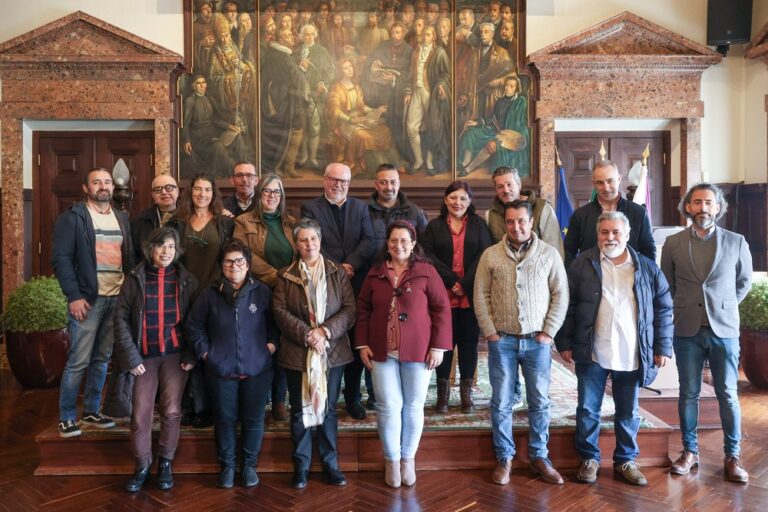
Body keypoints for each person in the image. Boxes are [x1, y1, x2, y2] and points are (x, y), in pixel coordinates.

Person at [556, 212, 673, 486]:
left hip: (632, 352)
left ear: (627, 234)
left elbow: (664, 308)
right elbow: (567, 306)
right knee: (587, 409)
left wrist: (662, 346)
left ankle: (626, 460)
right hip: (592, 350)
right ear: (597, 234)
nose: (610, 237)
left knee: (628, 411)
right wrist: (564, 343)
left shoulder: (646, 267)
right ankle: (589, 458)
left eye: (616, 232)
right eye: (604, 232)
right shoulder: (581, 264)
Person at [661, 183, 753, 483]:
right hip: (687, 328)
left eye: (708, 203)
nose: (703, 207)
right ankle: (689, 452)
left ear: (718, 207)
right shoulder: (673, 243)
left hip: (723, 330)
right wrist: (685, 305)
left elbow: (743, 283)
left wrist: (722, 306)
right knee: (689, 393)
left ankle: (732, 456)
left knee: (728, 394)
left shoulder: (736, 241)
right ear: (688, 207)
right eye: (697, 202)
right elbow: (668, 283)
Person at [473, 199, 568, 486]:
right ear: (505, 223)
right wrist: (490, 331)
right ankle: (504, 457)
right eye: (511, 222)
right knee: (500, 402)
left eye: (522, 221)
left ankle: (540, 457)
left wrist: (549, 332)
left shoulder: (549, 254)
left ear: (530, 222)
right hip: (502, 341)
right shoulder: (490, 255)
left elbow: (560, 295)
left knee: (539, 401)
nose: (516, 227)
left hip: (537, 342)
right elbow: (481, 295)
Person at [356, 220, 452, 488]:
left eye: (404, 241)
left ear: (413, 244)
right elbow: (362, 309)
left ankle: (408, 459)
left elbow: (442, 309)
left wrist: (438, 346)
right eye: (394, 241)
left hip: (420, 351)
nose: (399, 245)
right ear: (387, 244)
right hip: (381, 350)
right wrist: (362, 344)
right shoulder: (375, 273)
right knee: (388, 405)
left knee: (413, 405)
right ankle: (392, 460)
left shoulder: (427, 271)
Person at [186, 239, 278, 489]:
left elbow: (275, 326)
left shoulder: (262, 292)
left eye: (239, 261)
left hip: (257, 369)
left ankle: (249, 465)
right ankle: (227, 465)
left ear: (248, 265)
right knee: (224, 419)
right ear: (221, 266)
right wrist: (206, 353)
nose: (234, 266)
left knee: (253, 419)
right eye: (228, 262)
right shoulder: (209, 294)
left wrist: (269, 348)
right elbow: (193, 326)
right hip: (220, 370)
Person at [272, 218, 356, 489]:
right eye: (303, 240)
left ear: (320, 241)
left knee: (328, 409)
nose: (309, 245)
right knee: (299, 410)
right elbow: (279, 311)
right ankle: (302, 466)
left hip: (332, 351)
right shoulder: (285, 275)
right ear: (296, 244)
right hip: (298, 352)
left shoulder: (336, 272)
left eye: (313, 239)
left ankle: (331, 464)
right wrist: (308, 335)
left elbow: (349, 309)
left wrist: (324, 332)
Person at [113, 227, 197, 492]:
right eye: (161, 246)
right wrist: (131, 356)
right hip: (143, 357)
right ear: (151, 249)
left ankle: (165, 463)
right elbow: (121, 318)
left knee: (172, 410)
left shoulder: (186, 280)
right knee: (140, 414)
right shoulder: (135, 278)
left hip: (175, 355)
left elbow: (196, 322)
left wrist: (191, 354)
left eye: (171, 247)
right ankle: (142, 465)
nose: (166, 252)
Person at [52, 167, 133, 438]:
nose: (103, 186)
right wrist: (73, 296)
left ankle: (91, 411)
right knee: (78, 360)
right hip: (88, 300)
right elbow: (61, 260)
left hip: (116, 298)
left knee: (102, 359)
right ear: (86, 188)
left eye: (107, 182)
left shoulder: (121, 217)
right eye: (96, 181)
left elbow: (127, 258)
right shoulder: (72, 218)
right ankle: (66, 417)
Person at [301, 163, 375, 420]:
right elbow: (310, 243)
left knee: (356, 340)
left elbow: (369, 240)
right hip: (325, 283)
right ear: (325, 180)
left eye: (344, 181)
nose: (339, 184)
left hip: (357, 282)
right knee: (329, 339)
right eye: (334, 179)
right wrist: (337, 268)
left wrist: (350, 265)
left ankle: (353, 397)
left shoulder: (361, 207)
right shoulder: (311, 208)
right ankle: (325, 394)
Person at [421, 181, 492, 413]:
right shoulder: (434, 226)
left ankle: (466, 396)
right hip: (442, 295)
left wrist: (464, 283)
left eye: (463, 198)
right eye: (453, 198)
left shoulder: (479, 225)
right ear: (445, 200)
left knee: (469, 346)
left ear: (470, 202)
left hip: (470, 295)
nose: (457, 203)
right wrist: (452, 281)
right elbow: (427, 256)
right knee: (444, 346)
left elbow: (484, 254)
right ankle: (443, 397)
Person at [171, 173, 234, 428]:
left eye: (207, 190)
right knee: (185, 349)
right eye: (198, 189)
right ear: (190, 192)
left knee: (209, 348)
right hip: (183, 292)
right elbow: (170, 257)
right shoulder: (177, 222)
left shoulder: (223, 223)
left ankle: (210, 407)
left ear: (214, 193)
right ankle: (190, 406)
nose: (202, 194)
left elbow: (229, 257)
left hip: (212, 293)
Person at [233, 173, 297, 421]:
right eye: (267, 191)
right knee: (260, 345)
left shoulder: (291, 223)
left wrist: (288, 280)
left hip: (289, 291)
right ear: (259, 194)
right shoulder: (243, 222)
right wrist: (276, 277)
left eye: (276, 192)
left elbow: (301, 253)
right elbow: (244, 254)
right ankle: (258, 399)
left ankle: (280, 399)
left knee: (283, 344)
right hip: (257, 291)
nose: (271, 196)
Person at [564, 160, 655, 268]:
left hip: (629, 278)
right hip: (590, 279)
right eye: (600, 182)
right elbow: (569, 251)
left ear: (619, 179)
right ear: (593, 183)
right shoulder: (580, 215)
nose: (606, 188)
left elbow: (648, 251)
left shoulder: (638, 213)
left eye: (610, 181)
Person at [326, 58, 400, 176]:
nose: (349, 70)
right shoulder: (336, 89)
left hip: (360, 119)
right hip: (345, 123)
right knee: (365, 137)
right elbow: (335, 110)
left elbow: (361, 107)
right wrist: (350, 119)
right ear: (341, 71)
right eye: (345, 68)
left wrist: (376, 110)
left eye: (350, 67)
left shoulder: (356, 86)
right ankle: (380, 168)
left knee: (384, 131)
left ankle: (395, 165)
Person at [458, 75, 529, 177]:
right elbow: (492, 119)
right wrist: (477, 123)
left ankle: (468, 168)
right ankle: (465, 163)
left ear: (517, 89)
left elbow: (521, 123)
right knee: (471, 131)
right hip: (495, 131)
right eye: (506, 85)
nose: (507, 87)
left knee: (491, 145)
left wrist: (507, 134)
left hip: (512, 136)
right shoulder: (500, 102)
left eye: (511, 86)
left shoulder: (521, 102)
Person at [261, 27, 308, 179]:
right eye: (287, 36)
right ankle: (279, 166)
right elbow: (291, 76)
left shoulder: (285, 54)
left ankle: (289, 166)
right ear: (281, 40)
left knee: (295, 129)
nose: (291, 38)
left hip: (287, 96)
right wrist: (301, 67)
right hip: (280, 97)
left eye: (291, 35)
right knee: (285, 131)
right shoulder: (278, 55)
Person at [403, 25, 451, 175]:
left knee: (432, 128)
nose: (425, 37)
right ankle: (419, 160)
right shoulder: (416, 52)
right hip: (417, 91)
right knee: (411, 127)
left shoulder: (440, 52)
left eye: (428, 35)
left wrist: (442, 85)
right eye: (423, 34)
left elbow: (446, 74)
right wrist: (408, 91)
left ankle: (430, 161)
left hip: (431, 93)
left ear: (433, 37)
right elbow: (410, 75)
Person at [486, 166, 563, 257]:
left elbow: (555, 249)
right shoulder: (490, 215)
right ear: (496, 190)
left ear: (519, 185)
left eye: (509, 184)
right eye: (500, 187)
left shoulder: (543, 208)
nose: (506, 190)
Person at [295, 24, 334, 170]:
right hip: (299, 94)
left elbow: (331, 71)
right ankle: (303, 157)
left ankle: (313, 158)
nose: (309, 37)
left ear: (315, 35)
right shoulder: (296, 52)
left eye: (312, 34)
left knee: (314, 126)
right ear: (302, 36)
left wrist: (323, 82)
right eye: (306, 34)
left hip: (314, 94)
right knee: (301, 125)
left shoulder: (322, 51)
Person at [131, 174, 179, 262]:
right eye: (158, 189)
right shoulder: (140, 220)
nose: (164, 192)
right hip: (148, 273)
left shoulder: (189, 218)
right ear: (153, 195)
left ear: (177, 191)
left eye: (169, 188)